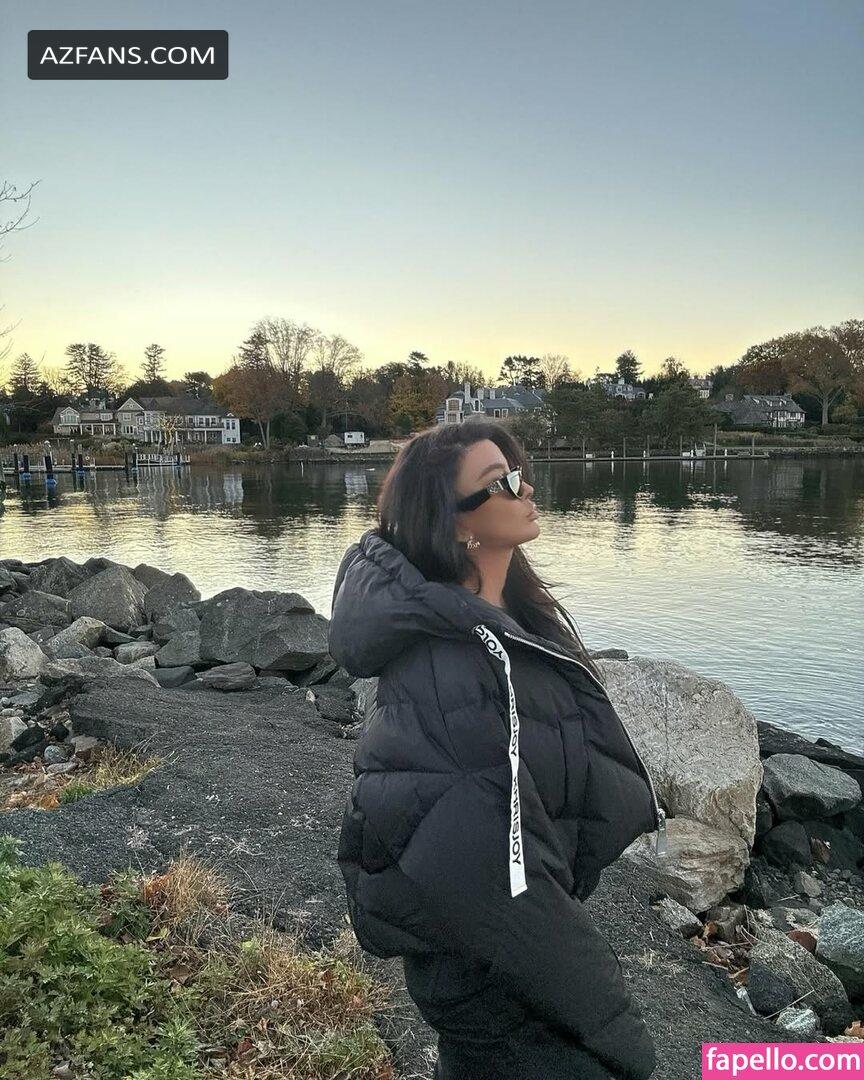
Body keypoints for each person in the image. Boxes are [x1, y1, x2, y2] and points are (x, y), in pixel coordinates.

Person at [329, 419, 664, 1079]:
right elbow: (498, 877)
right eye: (501, 481)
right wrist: (618, 1033)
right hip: (494, 983)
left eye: (517, 472)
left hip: (502, 964)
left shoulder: (508, 625)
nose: (525, 487)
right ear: (456, 523)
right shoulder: (453, 665)